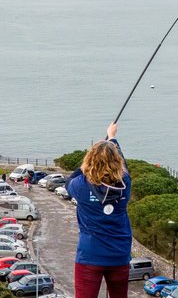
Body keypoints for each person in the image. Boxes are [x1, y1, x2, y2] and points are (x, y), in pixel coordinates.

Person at [66, 122, 132, 298]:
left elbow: (69, 181)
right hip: (119, 253)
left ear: (89, 161)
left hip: (90, 255)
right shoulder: (125, 184)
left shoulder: (80, 186)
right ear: (117, 162)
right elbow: (124, 166)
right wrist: (112, 138)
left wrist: (84, 166)